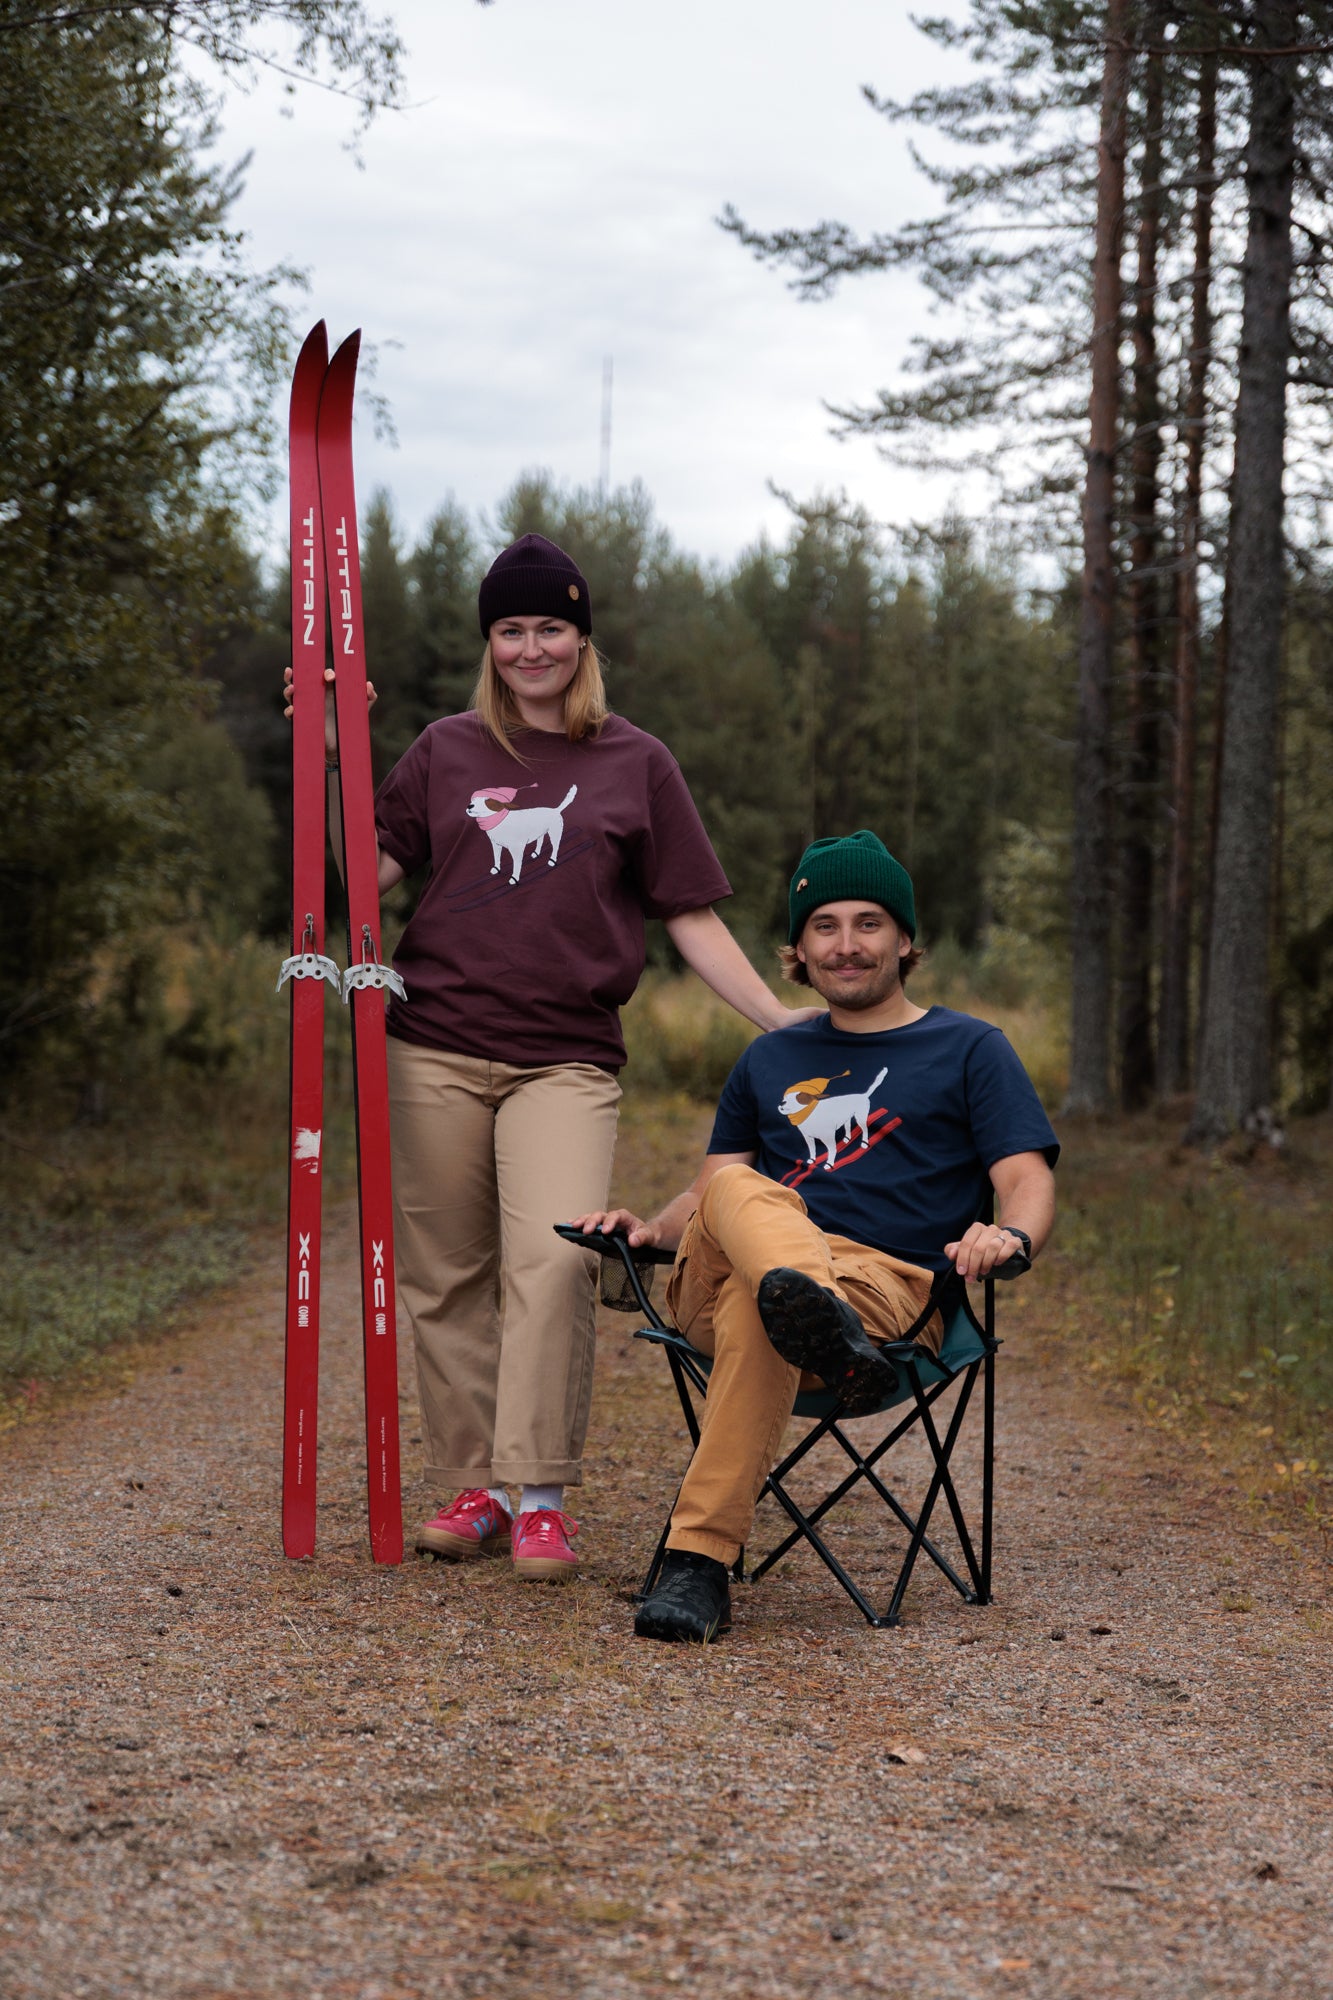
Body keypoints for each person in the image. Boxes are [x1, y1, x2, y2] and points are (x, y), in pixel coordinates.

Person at [287, 532, 814, 1583]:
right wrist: (331, 762)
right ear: (491, 639)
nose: (533, 646)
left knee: (556, 1260)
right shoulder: (443, 748)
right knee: (443, 1274)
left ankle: (538, 1496)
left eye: (552, 626)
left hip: (564, 1058)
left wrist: (779, 1021)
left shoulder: (635, 761)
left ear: (583, 637)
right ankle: (472, 1483)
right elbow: (363, 881)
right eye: (512, 627)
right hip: (431, 1044)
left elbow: (689, 915)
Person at [572, 829, 1059, 1641]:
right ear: (796, 949)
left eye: (868, 923)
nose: (846, 945)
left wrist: (1010, 1236)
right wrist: (646, 1228)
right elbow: (706, 1196)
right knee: (737, 1190)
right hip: (760, 1280)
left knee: (762, 1309)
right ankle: (808, 1309)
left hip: (887, 1299)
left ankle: (696, 1563)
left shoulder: (971, 1048)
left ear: (904, 940)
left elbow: (1026, 1179)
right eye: (823, 926)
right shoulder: (771, 1057)